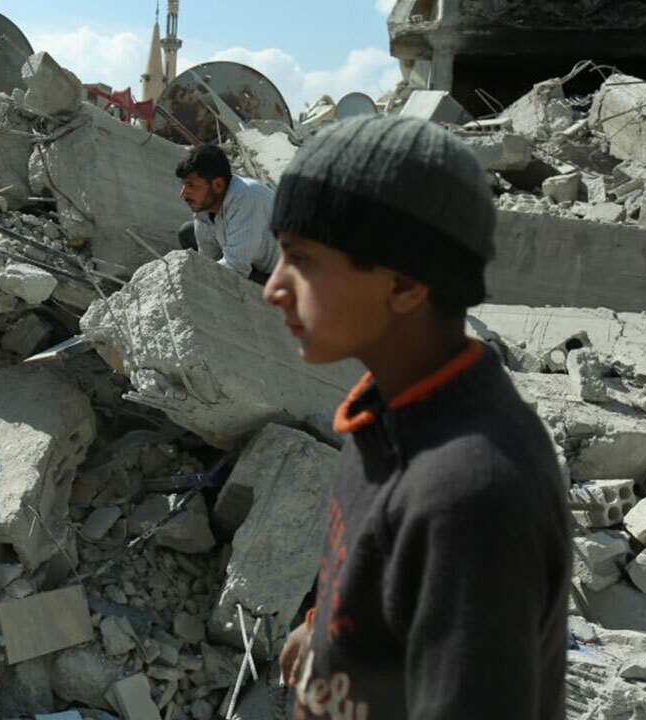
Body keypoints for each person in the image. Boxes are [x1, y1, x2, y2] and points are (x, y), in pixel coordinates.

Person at [266, 116, 570, 719]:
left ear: (405, 285)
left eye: (301, 259)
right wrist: (319, 633)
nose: (272, 287)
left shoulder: (471, 499)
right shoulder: (384, 412)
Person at [175, 144, 280, 282]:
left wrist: (195, 278)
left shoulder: (246, 198)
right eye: (183, 185)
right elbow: (208, 257)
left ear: (218, 185)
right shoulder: (205, 207)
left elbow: (235, 268)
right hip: (249, 257)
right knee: (187, 233)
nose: (183, 194)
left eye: (191, 185)